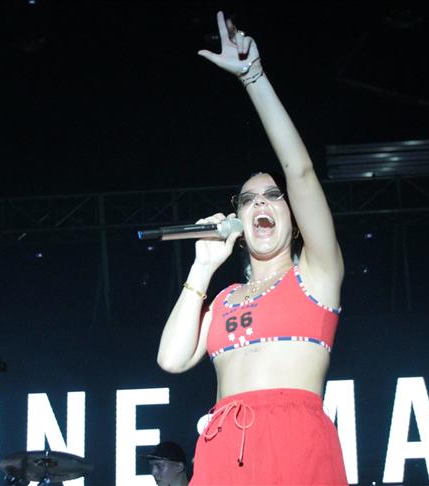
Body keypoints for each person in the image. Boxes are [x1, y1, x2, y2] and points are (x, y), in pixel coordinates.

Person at [156, 11, 347, 485]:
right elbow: (171, 359)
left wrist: (253, 77)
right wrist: (203, 266)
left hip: (294, 447)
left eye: (273, 196)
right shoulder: (223, 300)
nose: (260, 203)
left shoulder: (316, 275)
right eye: (248, 200)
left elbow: (300, 170)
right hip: (224, 450)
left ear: (294, 218)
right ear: (239, 222)